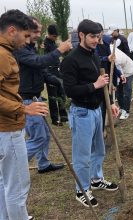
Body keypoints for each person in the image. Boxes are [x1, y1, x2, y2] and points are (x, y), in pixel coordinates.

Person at [61, 19, 120, 207]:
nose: (96, 40)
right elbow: (70, 90)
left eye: (98, 36)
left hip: (97, 110)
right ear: (81, 36)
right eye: (93, 36)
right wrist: (94, 85)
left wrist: (110, 103)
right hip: (81, 112)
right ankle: (82, 190)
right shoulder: (71, 60)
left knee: (99, 150)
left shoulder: (94, 55)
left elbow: (102, 84)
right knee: (82, 154)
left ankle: (96, 179)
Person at [0, 9, 49, 220]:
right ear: (12, 31)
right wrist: (24, 109)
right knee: (18, 186)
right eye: (25, 35)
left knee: (5, 183)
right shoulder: (2, 55)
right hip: (8, 128)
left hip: (6, 127)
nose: (27, 41)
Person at [13, 17, 72, 174]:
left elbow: (41, 70)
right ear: (26, 31)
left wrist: (59, 81)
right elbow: (39, 62)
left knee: (44, 135)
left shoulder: (31, 47)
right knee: (38, 138)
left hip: (35, 98)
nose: (39, 34)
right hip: (27, 101)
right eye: (36, 31)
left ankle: (43, 164)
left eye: (40, 30)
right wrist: (59, 50)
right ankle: (13, 166)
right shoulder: (20, 50)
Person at [44, 24, 68, 126]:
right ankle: (55, 119)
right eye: (54, 36)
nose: (55, 38)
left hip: (58, 71)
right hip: (50, 71)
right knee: (53, 96)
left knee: (61, 94)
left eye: (56, 36)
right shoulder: (45, 45)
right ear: (49, 34)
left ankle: (63, 116)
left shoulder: (54, 43)